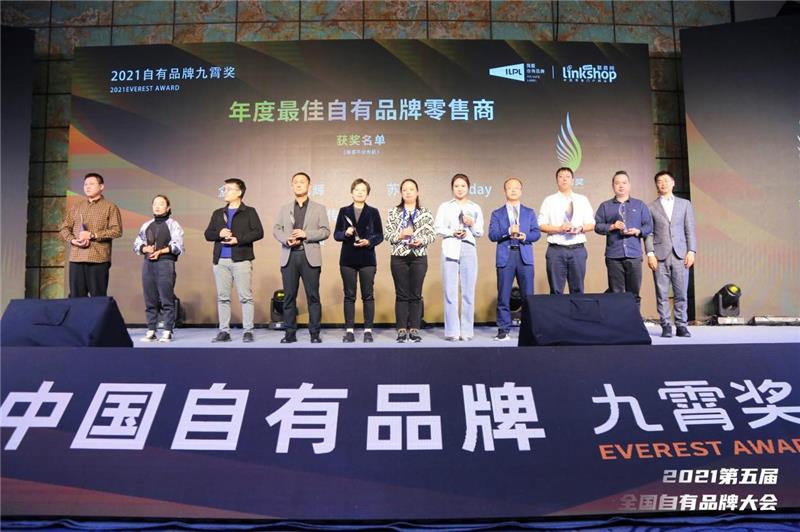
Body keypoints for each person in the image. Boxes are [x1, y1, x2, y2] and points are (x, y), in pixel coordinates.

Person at [273, 172, 330, 344]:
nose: (298, 184)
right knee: (289, 297)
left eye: (302, 182)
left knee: (313, 296)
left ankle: (314, 333)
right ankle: (290, 333)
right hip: (289, 256)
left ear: (309, 186)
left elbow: (325, 231)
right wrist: (286, 239)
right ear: (292, 186)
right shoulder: (284, 209)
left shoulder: (319, 208)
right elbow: (276, 229)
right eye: (295, 182)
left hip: (309, 256)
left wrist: (306, 234)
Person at [204, 178, 264, 343]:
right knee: (223, 297)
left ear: (239, 192)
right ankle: (224, 331)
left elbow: (258, 232)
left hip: (241, 259)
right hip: (221, 261)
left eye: (229, 189)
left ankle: (248, 331)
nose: (225, 192)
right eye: (224, 189)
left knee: (245, 297)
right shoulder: (218, 213)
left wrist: (239, 239)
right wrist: (219, 234)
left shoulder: (249, 211)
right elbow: (208, 234)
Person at [645, 170, 697, 338]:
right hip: (659, 255)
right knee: (662, 293)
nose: (663, 184)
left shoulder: (685, 204)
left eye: (666, 180)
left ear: (673, 183)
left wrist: (691, 251)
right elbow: (648, 233)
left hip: (681, 254)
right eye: (659, 181)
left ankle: (682, 325)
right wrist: (650, 253)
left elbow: (690, 230)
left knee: (681, 292)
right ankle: (666, 325)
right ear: (656, 185)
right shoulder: (650, 207)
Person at [488, 177, 541, 341]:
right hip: (506, 256)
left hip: (524, 256)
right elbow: (492, 235)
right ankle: (503, 329)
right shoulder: (497, 213)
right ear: (505, 191)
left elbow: (536, 233)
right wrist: (508, 231)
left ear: (521, 191)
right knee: (503, 296)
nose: (513, 190)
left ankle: (529, 328)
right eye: (510, 188)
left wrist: (525, 236)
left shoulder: (529, 212)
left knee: (528, 296)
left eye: (516, 188)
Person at [434, 173, 484, 341]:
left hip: (468, 248)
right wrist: (452, 232)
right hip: (450, 247)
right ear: (452, 188)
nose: (460, 189)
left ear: (468, 187)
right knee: (450, 291)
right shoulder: (445, 206)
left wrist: (472, 224)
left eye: (463, 185)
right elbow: (437, 227)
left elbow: (479, 232)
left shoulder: (475, 207)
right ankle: (452, 331)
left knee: (468, 291)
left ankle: (467, 331)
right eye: (456, 186)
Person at [385, 178, 436, 343]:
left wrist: (420, 240)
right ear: (401, 193)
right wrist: (400, 235)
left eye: (411, 189)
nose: (408, 192)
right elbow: (387, 234)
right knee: (401, 294)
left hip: (418, 256)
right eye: (405, 190)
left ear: (417, 192)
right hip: (399, 256)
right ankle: (401, 329)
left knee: (416, 294)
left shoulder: (425, 212)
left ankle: (414, 329)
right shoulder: (394, 212)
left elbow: (432, 234)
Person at [333, 178, 384, 343]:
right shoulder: (344, 211)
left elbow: (380, 235)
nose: (360, 193)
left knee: (368, 295)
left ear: (367, 193)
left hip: (367, 258)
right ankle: (349, 331)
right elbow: (336, 235)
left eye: (363, 190)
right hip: (348, 259)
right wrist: (345, 233)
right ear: (351, 192)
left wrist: (369, 241)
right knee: (349, 296)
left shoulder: (373, 212)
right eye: (357, 190)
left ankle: (368, 330)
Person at [594, 171, 652, 309]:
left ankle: (634, 320)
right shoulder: (605, 206)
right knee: (616, 293)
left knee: (634, 293)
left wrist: (638, 231)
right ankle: (618, 321)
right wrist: (612, 226)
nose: (621, 186)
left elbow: (649, 226)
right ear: (613, 186)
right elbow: (597, 226)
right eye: (617, 183)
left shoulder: (639, 205)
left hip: (634, 255)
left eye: (624, 183)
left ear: (629, 185)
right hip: (614, 255)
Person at [58, 172, 123, 297]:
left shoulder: (110, 207)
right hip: (77, 258)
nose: (87, 187)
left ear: (101, 186)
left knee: (97, 298)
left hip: (98, 259)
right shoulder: (77, 207)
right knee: (76, 298)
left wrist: (93, 235)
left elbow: (117, 231)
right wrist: (73, 240)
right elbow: (64, 228)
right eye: (85, 184)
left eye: (91, 184)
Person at [133, 195, 185, 342]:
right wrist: (145, 248)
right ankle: (151, 329)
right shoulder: (147, 225)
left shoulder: (173, 224)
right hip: (148, 263)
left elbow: (178, 245)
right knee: (150, 298)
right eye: (155, 203)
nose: (157, 206)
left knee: (166, 298)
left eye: (161, 204)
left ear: (168, 208)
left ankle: (167, 330)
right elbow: (137, 243)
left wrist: (160, 252)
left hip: (165, 263)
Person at [538, 167, 595, 294]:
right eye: (561, 177)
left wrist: (580, 228)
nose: (564, 179)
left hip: (577, 250)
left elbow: (591, 224)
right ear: (556, 180)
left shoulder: (582, 199)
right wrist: (559, 229)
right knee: (556, 291)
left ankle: (577, 308)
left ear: (573, 181)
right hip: (556, 250)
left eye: (568, 177)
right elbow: (541, 225)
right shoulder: (549, 200)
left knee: (578, 290)